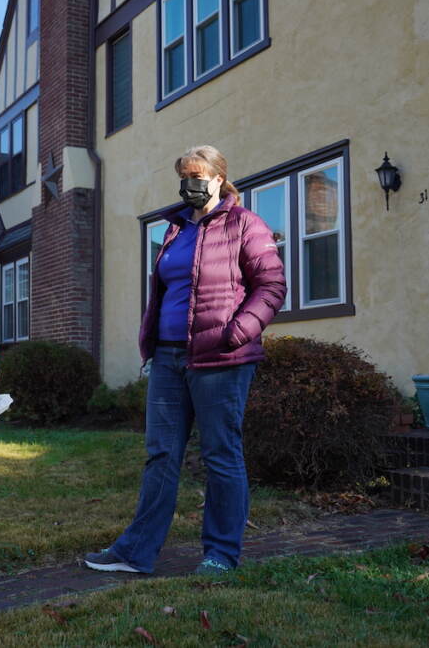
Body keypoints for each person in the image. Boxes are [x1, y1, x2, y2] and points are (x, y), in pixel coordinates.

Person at [85, 145, 286, 576]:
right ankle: (135, 551)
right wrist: (152, 342)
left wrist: (237, 333)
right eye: (184, 176)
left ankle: (220, 554)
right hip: (169, 358)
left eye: (197, 176)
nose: (189, 185)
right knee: (161, 455)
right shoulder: (176, 229)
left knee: (220, 454)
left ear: (218, 179)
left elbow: (271, 286)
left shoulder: (245, 225)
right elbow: (167, 290)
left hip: (222, 359)